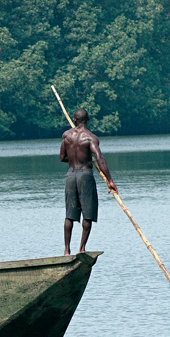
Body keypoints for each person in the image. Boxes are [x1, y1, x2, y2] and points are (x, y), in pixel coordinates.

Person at [59, 108, 119, 255]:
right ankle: (82, 249)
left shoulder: (66, 136)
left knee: (70, 215)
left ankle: (66, 251)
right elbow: (100, 159)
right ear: (89, 120)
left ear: (74, 120)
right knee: (88, 213)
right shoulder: (90, 137)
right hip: (85, 175)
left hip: (71, 175)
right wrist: (110, 180)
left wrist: (76, 159)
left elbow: (62, 158)